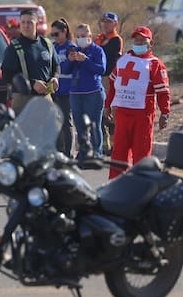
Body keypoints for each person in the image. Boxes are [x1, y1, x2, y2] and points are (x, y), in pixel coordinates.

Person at [106, 26, 171, 179]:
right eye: (136, 40)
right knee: (119, 152)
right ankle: (115, 185)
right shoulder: (123, 61)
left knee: (141, 153)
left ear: (151, 43)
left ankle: (140, 186)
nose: (139, 42)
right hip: (122, 113)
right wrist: (107, 105)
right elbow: (113, 85)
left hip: (143, 114)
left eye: (143, 40)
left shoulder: (155, 64)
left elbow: (163, 92)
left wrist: (165, 113)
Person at [1, 9, 59, 115]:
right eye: (23, 22)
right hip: (23, 100)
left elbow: (56, 66)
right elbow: (7, 74)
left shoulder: (47, 44)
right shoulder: (14, 47)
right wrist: (32, 84)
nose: (26, 25)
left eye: (29, 22)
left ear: (36, 24)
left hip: (45, 99)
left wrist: (55, 77)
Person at [66, 22, 107, 156]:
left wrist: (86, 60)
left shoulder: (97, 50)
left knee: (94, 125)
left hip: (93, 92)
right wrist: (69, 60)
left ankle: (96, 153)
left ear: (90, 35)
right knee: (80, 126)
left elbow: (101, 69)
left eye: (83, 35)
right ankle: (83, 153)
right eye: (78, 36)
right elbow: (65, 70)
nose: (80, 38)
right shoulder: (74, 50)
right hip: (76, 93)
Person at [49, 19, 78, 156]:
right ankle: (57, 150)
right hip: (54, 90)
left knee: (66, 122)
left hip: (67, 90)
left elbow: (65, 69)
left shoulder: (71, 48)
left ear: (64, 32)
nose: (54, 37)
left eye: (56, 34)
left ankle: (68, 152)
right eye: (52, 35)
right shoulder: (53, 47)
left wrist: (66, 62)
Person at [95, 12, 123, 153]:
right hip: (97, 78)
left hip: (109, 78)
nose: (106, 24)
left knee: (110, 111)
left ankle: (114, 144)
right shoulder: (100, 39)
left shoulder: (116, 40)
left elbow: (110, 58)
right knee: (99, 111)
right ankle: (105, 144)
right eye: (104, 21)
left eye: (109, 21)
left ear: (115, 24)